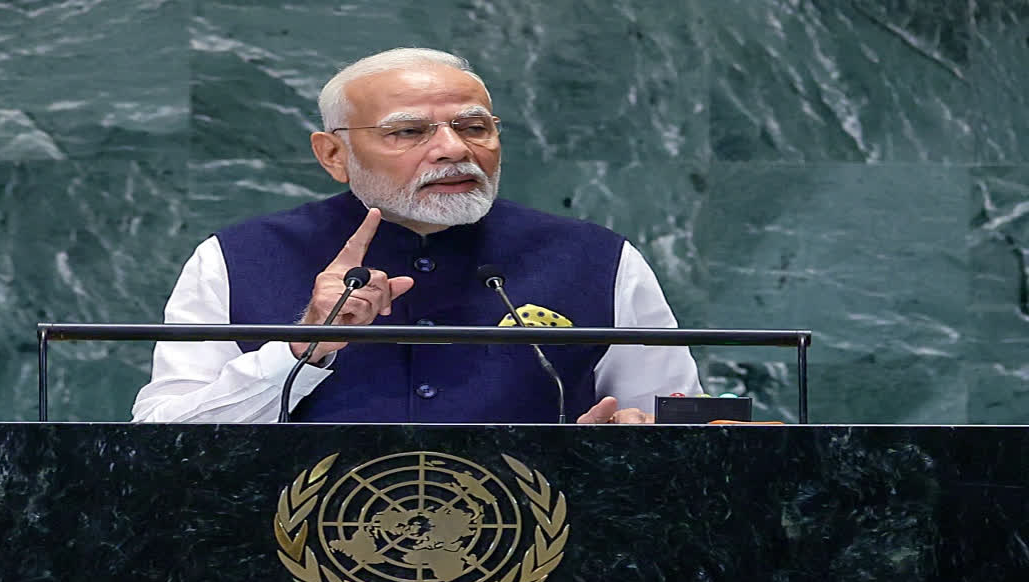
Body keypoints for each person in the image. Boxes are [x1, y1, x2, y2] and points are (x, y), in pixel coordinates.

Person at [132, 48, 701, 424]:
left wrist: (624, 447)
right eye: (409, 131)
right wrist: (300, 349)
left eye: (474, 127)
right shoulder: (235, 259)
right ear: (334, 154)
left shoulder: (598, 259)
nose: (454, 148)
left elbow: (674, 421)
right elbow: (161, 438)